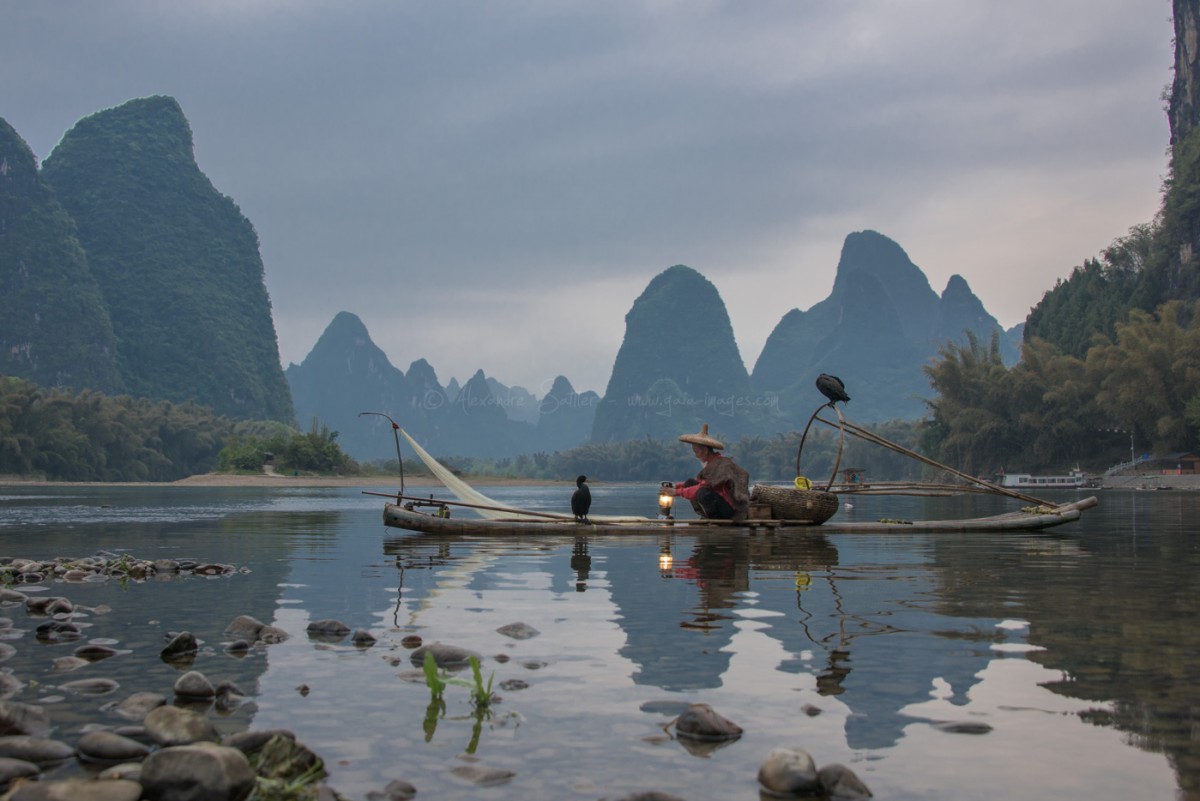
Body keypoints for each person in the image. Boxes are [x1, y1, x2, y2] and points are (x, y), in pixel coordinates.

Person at [665, 423, 750, 521]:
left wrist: (676, 492)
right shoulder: (711, 464)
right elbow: (701, 483)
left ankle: (714, 520)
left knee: (702, 492)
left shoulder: (720, 464)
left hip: (729, 510)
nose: (696, 455)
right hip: (720, 503)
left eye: (696, 451)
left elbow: (702, 487)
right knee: (690, 483)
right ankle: (704, 514)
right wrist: (677, 486)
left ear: (705, 450)